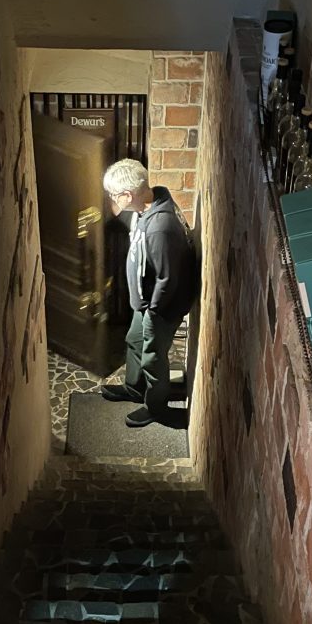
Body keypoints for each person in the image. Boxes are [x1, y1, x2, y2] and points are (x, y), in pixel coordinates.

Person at [101, 159, 198, 428]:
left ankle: (156, 406)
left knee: (152, 358)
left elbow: (168, 278)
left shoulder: (160, 227)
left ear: (126, 196)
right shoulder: (146, 208)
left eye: (113, 195)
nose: (112, 199)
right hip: (143, 303)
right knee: (134, 341)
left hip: (159, 309)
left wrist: (154, 311)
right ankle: (134, 388)